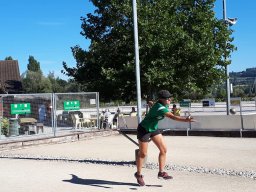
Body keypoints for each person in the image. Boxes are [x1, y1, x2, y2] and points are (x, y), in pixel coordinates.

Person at [134, 90, 195, 186]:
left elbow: (154, 105)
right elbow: (173, 117)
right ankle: (138, 174)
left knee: (163, 150)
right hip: (144, 129)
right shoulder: (160, 107)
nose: (170, 99)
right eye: (168, 98)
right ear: (162, 99)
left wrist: (151, 104)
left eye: (170, 97)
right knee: (143, 154)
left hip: (153, 128)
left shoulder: (162, 104)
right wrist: (185, 120)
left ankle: (161, 172)